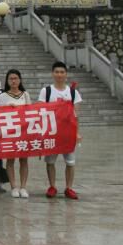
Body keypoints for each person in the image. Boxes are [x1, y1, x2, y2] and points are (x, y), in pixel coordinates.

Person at [39, 61, 82, 200]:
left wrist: (77, 133)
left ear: (66, 74)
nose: (59, 74)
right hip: (52, 131)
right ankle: (52, 186)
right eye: (57, 72)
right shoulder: (46, 91)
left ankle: (69, 187)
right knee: (50, 161)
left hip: (68, 133)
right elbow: (41, 111)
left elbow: (76, 115)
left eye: (62, 72)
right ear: (52, 74)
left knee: (70, 161)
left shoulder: (73, 92)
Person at [0, 69, 32, 198]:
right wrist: (7, 109)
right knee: (10, 160)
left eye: (15, 78)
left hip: (23, 132)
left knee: (24, 160)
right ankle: (13, 187)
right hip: (10, 132)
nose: (13, 81)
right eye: (11, 79)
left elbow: (30, 112)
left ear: (20, 80)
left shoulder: (25, 94)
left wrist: (20, 109)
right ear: (7, 81)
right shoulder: (3, 96)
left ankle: (23, 187)